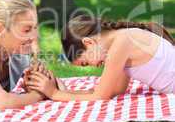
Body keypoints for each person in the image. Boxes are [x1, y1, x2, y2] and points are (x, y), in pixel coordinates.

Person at [24, 15, 175, 101]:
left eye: (84, 63)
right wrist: (63, 91)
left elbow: (100, 97)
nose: (92, 66)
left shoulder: (121, 44)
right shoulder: (122, 39)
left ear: (89, 43)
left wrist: (54, 94)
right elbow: (115, 91)